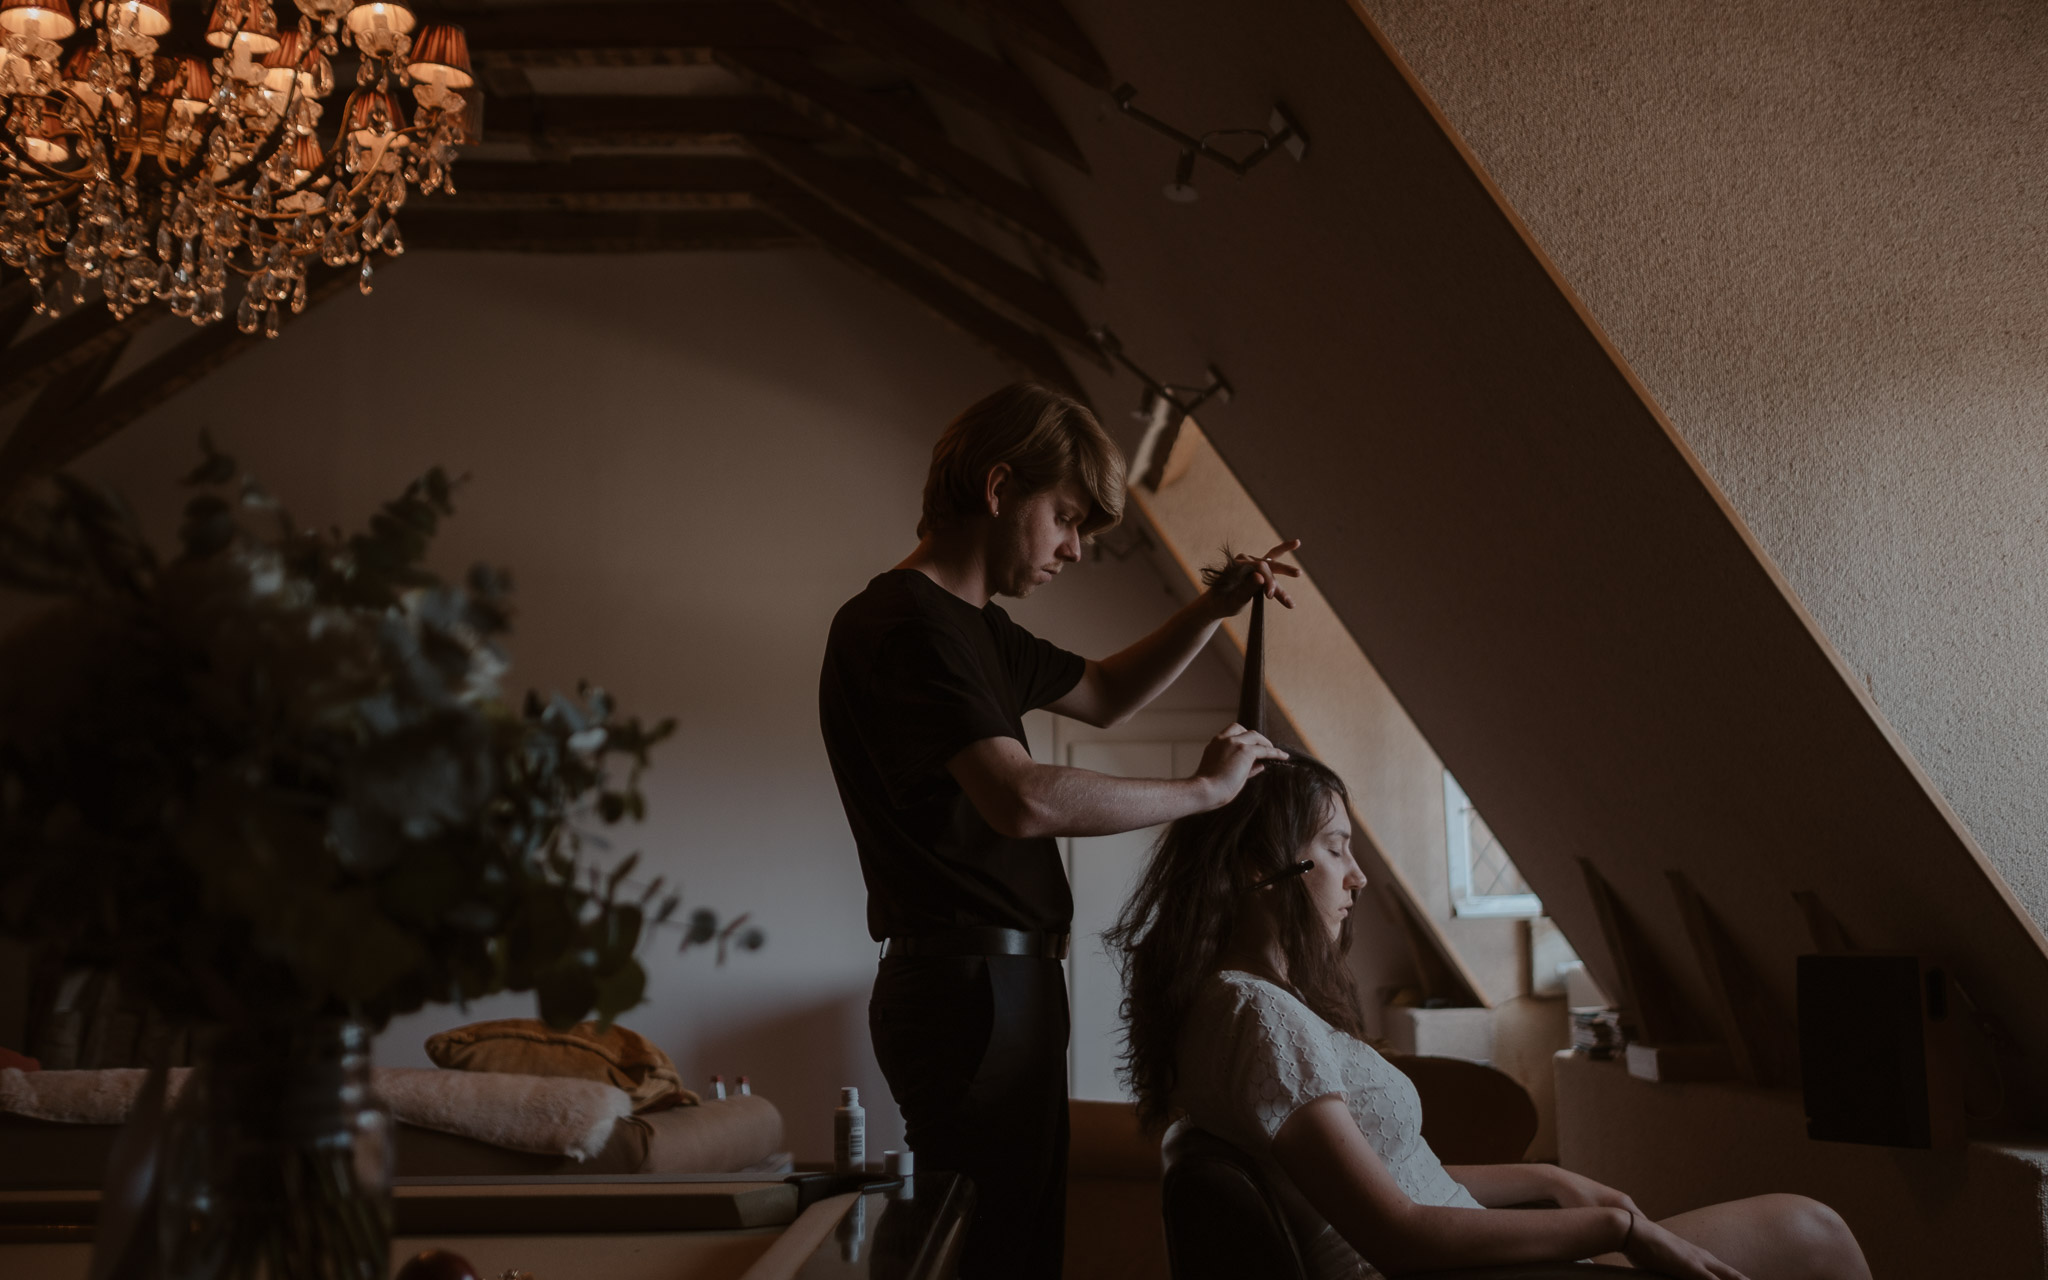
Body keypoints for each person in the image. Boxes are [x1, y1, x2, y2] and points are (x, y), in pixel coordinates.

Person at [818, 382, 1296, 1280]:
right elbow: (1023, 798)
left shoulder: (978, 633)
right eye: (1067, 518)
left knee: (1023, 1251)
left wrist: (1216, 605)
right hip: (967, 989)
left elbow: (1110, 695)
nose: (1074, 549)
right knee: (996, 1258)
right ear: (1000, 489)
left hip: (1004, 983)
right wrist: (1202, 792)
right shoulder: (903, 624)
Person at [1107, 756, 1875, 1280]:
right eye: (1336, 848)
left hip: (1475, 1261)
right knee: (1812, 1233)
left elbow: (1389, 1182)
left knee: (1803, 1229)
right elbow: (1398, 1233)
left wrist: (1546, 1176)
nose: (1359, 874)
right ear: (1257, 868)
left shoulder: (1241, 1002)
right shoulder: (1258, 1019)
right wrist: (1622, 1232)